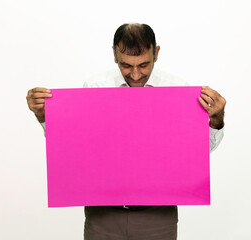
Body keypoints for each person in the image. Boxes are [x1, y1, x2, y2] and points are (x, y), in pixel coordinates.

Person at [26, 23, 226, 240]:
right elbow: (73, 148)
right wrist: (43, 116)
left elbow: (197, 154)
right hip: (103, 215)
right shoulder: (95, 88)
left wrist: (216, 119)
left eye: (143, 64)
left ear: (156, 53)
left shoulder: (178, 89)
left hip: (158, 216)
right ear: (114, 55)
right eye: (126, 66)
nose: (136, 74)